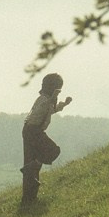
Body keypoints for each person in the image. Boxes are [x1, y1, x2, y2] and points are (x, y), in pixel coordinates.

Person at [20, 73, 71, 207]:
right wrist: (52, 99)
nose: (59, 92)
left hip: (31, 131)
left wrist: (63, 104)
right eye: (58, 89)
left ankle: (29, 198)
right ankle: (30, 169)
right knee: (53, 150)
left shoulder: (46, 99)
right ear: (53, 88)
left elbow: (51, 111)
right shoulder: (43, 99)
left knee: (32, 163)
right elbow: (40, 111)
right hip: (33, 131)